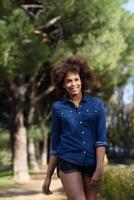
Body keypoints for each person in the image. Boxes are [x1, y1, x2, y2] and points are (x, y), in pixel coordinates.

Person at [42, 55, 108, 200]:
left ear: (82, 80)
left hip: (91, 162)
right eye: (68, 81)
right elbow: (55, 144)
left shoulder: (97, 104)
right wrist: (48, 177)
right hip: (68, 160)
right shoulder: (58, 108)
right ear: (63, 84)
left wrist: (99, 167)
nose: (73, 84)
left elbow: (101, 140)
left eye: (76, 79)